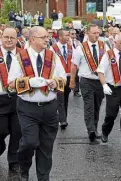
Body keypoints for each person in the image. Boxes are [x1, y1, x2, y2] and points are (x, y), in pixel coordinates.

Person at [8, 26, 66, 181]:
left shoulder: (53, 56)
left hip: (49, 108)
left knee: (46, 146)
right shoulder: (19, 57)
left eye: (48, 37)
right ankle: (24, 167)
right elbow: (11, 84)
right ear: (32, 39)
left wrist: (55, 82)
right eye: (44, 37)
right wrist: (29, 82)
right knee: (29, 142)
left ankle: (43, 177)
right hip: (28, 108)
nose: (47, 39)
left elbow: (63, 79)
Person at [69, 24, 108, 144]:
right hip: (86, 80)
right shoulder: (81, 48)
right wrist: (72, 80)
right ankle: (90, 130)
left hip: (100, 81)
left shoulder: (104, 46)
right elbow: (74, 65)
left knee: (97, 106)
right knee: (89, 105)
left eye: (98, 33)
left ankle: (95, 128)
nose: (97, 35)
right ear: (87, 34)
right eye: (94, 33)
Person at [97, 33, 121, 147]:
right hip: (112, 89)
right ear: (115, 42)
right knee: (111, 114)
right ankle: (105, 131)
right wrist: (104, 85)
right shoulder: (108, 55)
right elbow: (100, 71)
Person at [0, 28, 21, 175]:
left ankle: (13, 162)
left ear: (16, 39)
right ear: (1, 37)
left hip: (18, 98)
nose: (9, 40)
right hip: (0, 98)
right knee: (1, 130)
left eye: (12, 38)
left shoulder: (23, 55)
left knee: (17, 132)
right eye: (6, 37)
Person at [51, 29, 74, 130]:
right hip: (59, 77)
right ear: (60, 37)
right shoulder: (53, 48)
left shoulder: (70, 47)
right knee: (60, 98)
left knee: (65, 98)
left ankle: (63, 117)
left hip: (68, 76)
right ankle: (62, 120)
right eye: (66, 35)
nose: (68, 36)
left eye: (68, 34)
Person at [69, 29, 81, 97]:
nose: (74, 35)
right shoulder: (68, 42)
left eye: (75, 34)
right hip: (69, 61)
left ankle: (76, 91)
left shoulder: (78, 42)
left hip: (76, 62)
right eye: (72, 34)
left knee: (76, 77)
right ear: (69, 34)